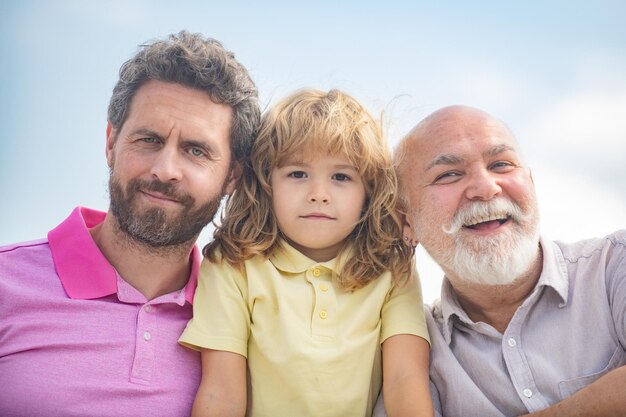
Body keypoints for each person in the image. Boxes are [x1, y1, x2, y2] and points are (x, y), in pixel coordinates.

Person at [0, 31, 260, 417]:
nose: (165, 170)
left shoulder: (241, 319)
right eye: (149, 140)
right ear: (111, 143)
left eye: (196, 150)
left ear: (233, 177)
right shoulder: (6, 282)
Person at [179, 89, 433, 417]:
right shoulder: (232, 266)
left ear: (368, 192)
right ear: (265, 184)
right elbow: (221, 393)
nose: (318, 195)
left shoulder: (393, 270)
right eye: (297, 174)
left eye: (341, 176)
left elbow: (405, 380)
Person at [392, 105, 626, 416]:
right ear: (405, 221)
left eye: (501, 165)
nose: (487, 188)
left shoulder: (616, 264)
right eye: (448, 174)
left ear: (531, 183)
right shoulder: (411, 352)